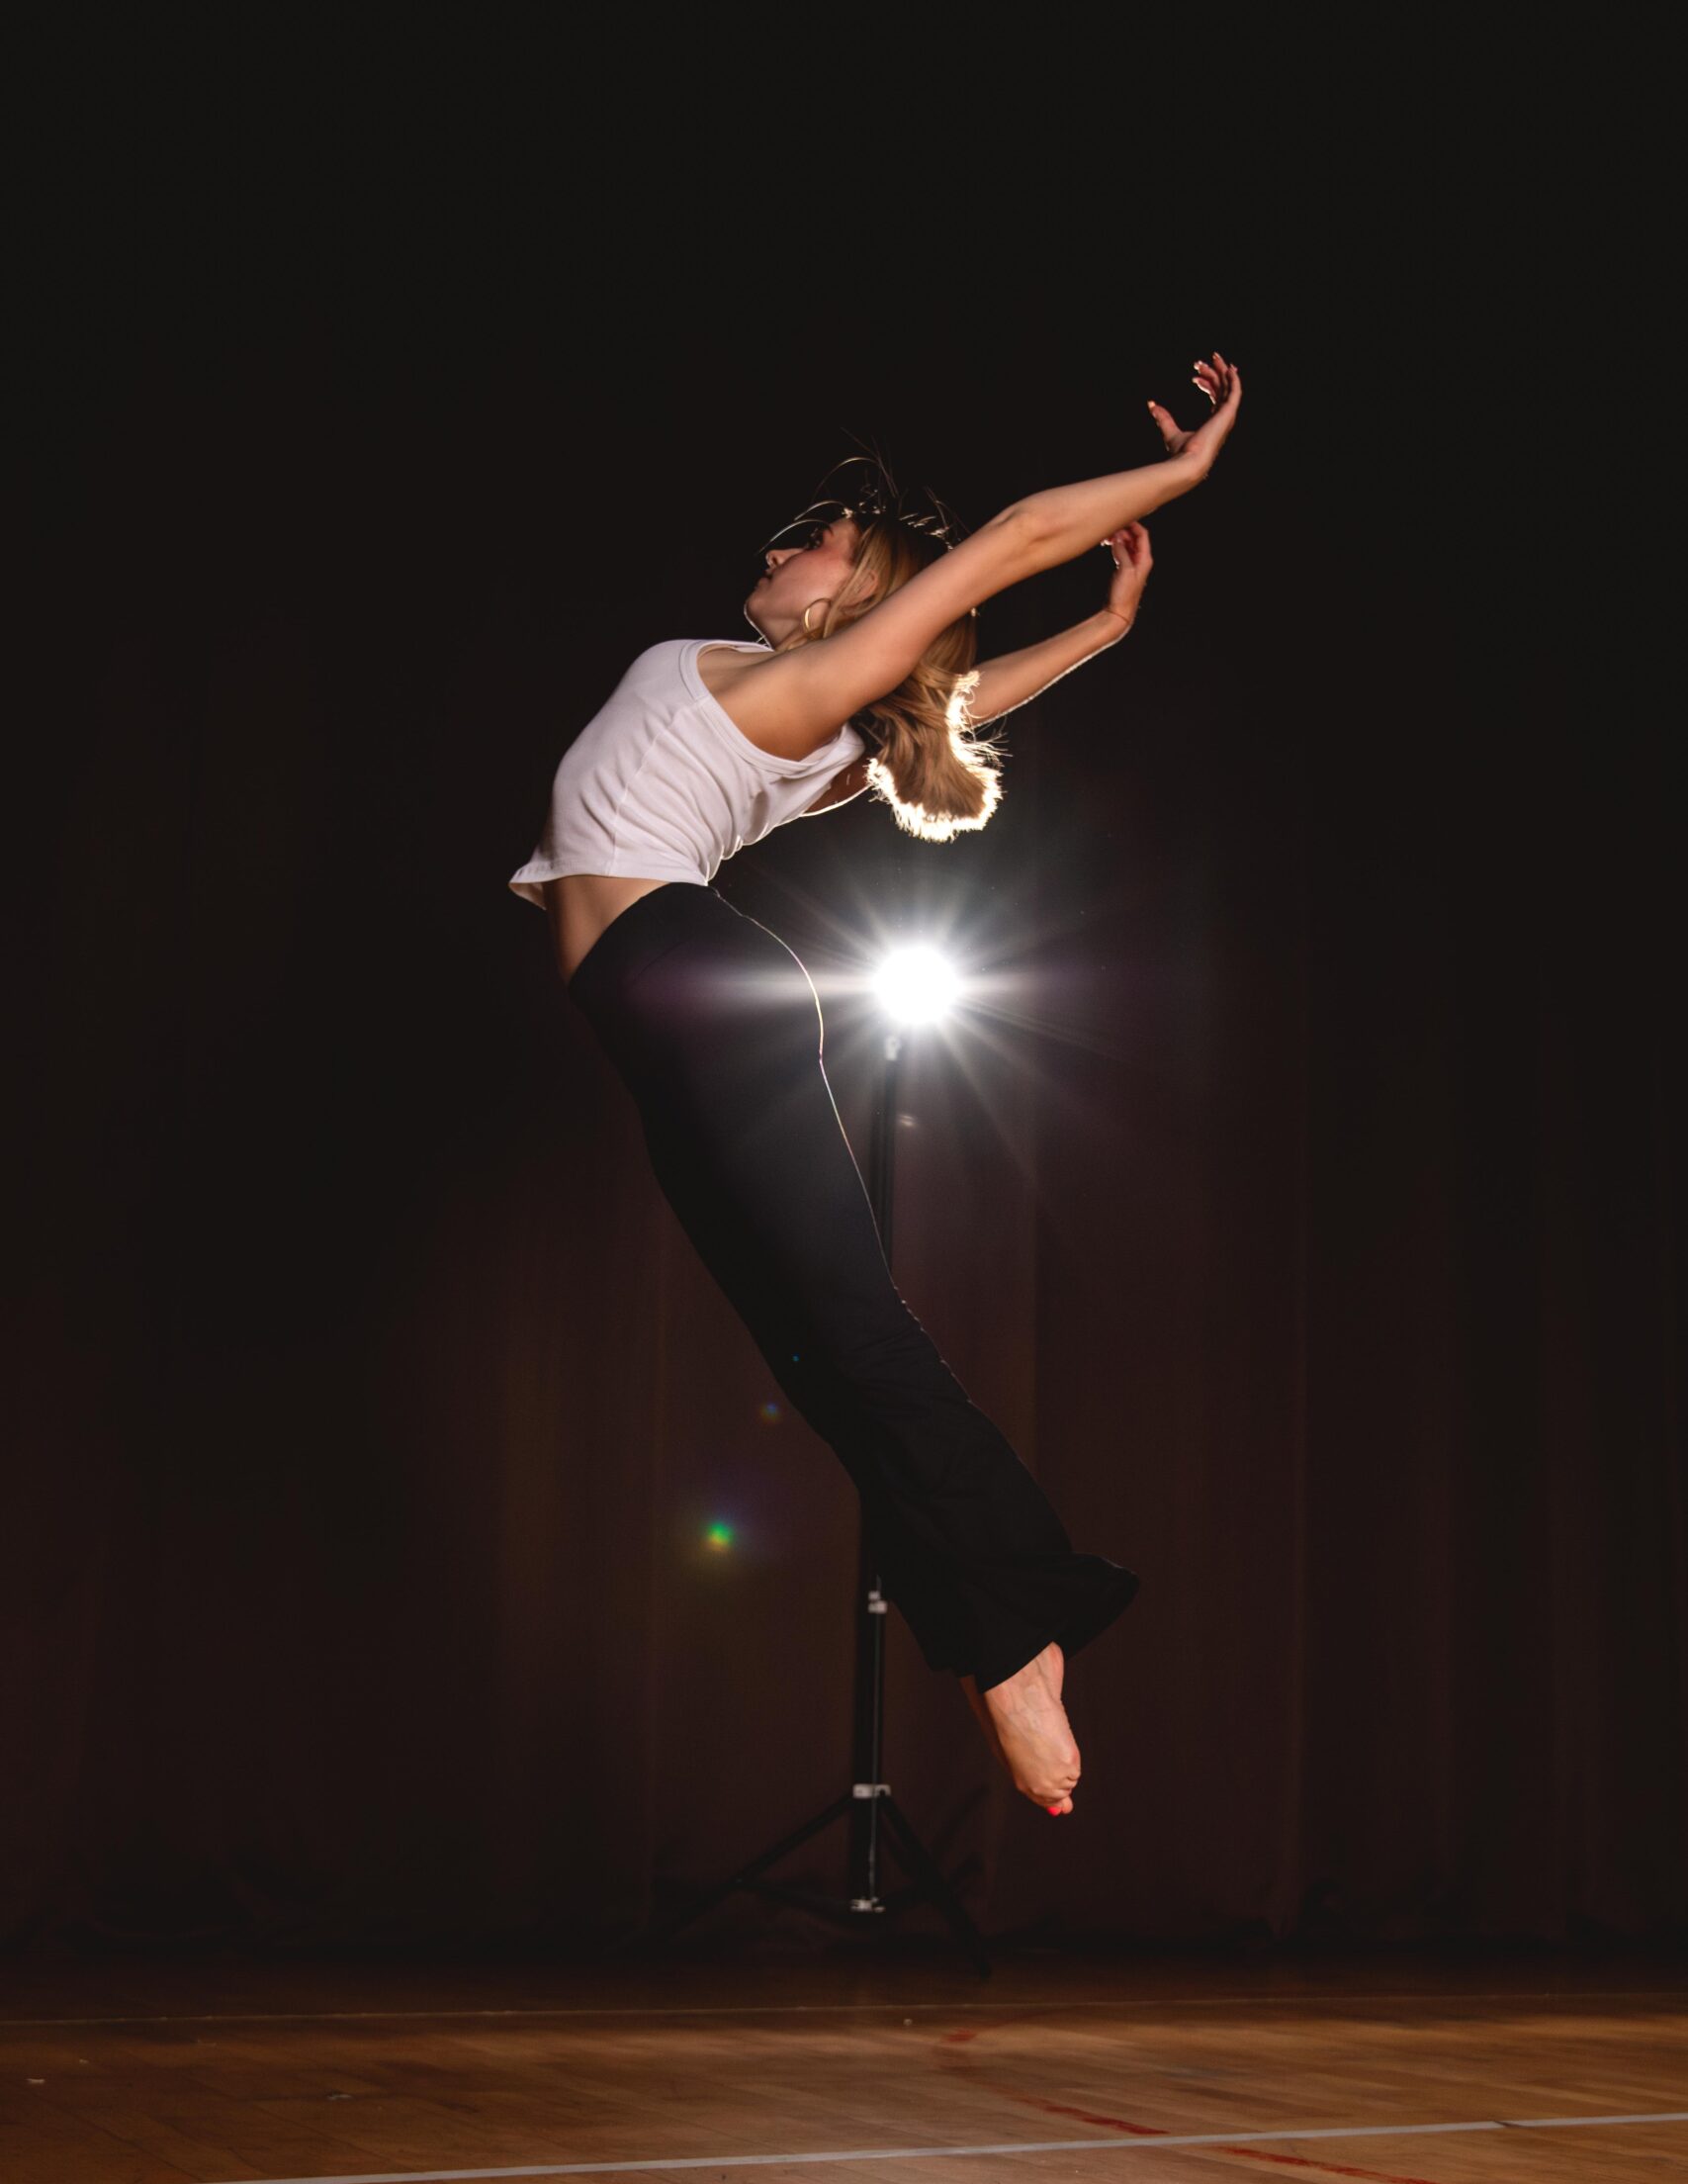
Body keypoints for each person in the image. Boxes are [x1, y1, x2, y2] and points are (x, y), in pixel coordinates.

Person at [509, 356, 1244, 1816]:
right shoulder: (817, 720)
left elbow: (1016, 535)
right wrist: (1102, 629)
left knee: (852, 1331)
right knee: (820, 1359)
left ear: (857, 597)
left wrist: (1183, 474)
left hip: (691, 993)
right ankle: (994, 1629)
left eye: (820, 540)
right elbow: (948, 700)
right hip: (661, 1019)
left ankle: (1023, 1629)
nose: (783, 548)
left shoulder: (794, 691)